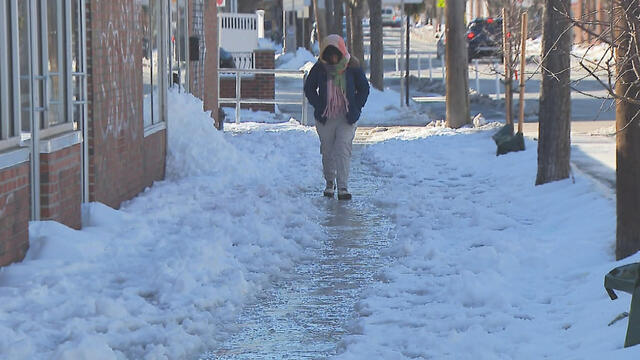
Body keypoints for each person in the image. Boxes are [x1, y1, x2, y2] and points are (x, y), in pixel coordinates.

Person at [304, 34, 370, 200]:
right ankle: (329, 183)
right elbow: (309, 89)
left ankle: (343, 187)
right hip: (326, 117)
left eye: (336, 54)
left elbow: (364, 88)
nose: (333, 58)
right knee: (327, 151)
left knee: (343, 148)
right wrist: (320, 105)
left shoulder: (352, 66)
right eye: (329, 55)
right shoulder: (319, 68)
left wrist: (356, 106)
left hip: (346, 116)